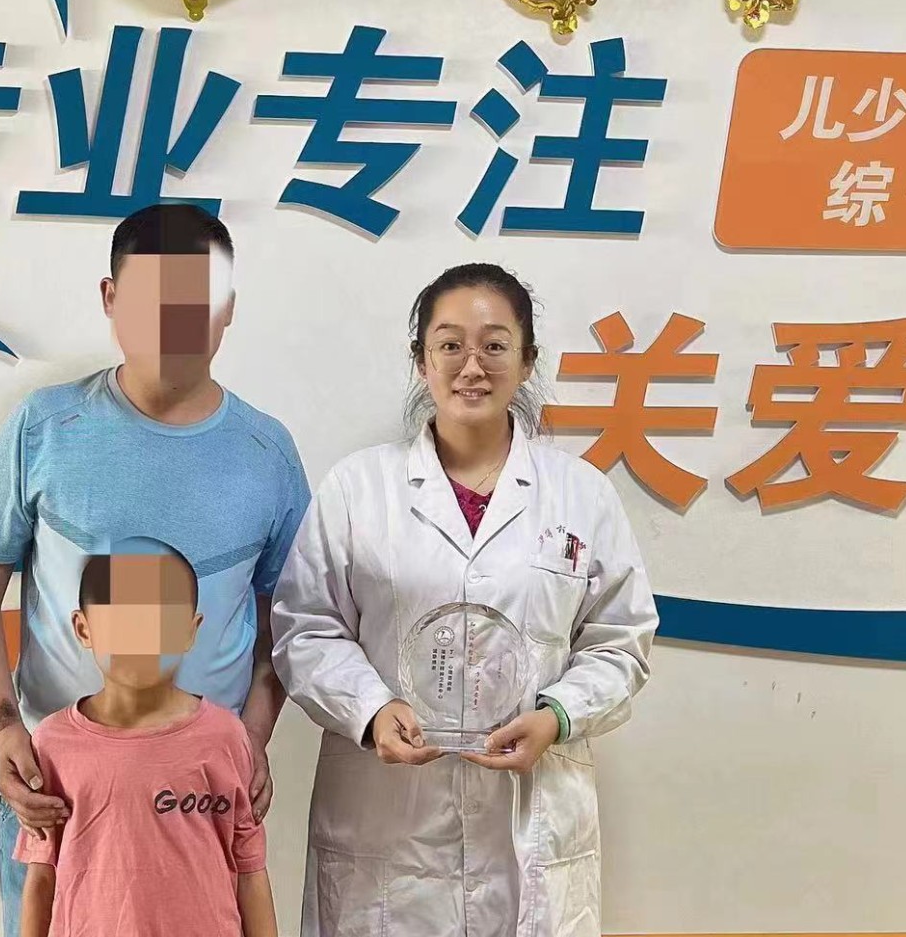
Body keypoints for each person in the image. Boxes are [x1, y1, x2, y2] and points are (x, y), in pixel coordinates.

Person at [0, 204, 308, 937]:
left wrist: (253, 737)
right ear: (111, 298)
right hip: (58, 796)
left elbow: (287, 625)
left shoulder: (267, 453)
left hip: (199, 804)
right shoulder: (46, 427)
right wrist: (4, 727)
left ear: (228, 307)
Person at [271, 262, 659, 937]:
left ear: (527, 360)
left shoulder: (580, 495)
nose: (471, 365)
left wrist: (558, 716)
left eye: (494, 345)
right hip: (389, 820)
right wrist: (371, 709)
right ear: (421, 359)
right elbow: (307, 627)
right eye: (450, 344)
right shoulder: (359, 489)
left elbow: (620, 641)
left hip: (528, 816)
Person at [16, 538, 276, 937]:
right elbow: (41, 879)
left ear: (190, 630)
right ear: (83, 628)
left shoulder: (225, 737)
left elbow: (250, 870)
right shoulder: (53, 745)